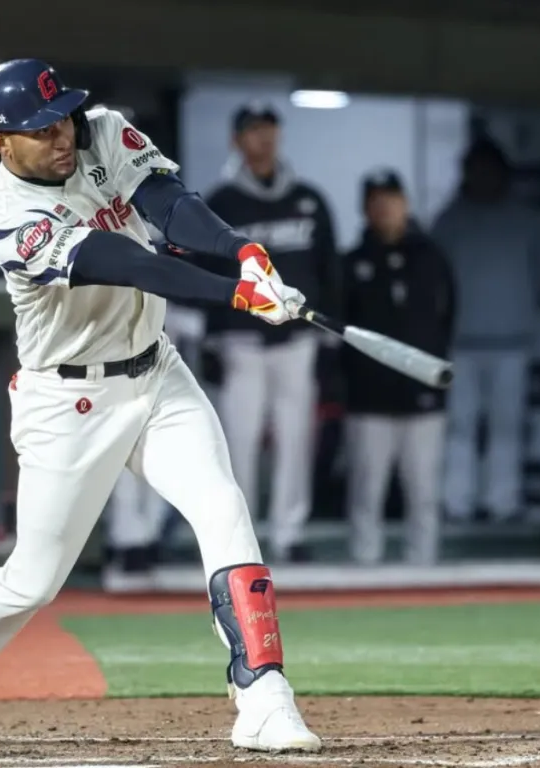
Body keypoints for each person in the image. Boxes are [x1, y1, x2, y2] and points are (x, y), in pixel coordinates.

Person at [0, 59, 320, 753]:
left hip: (156, 372)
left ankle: (263, 696)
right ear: (0, 143)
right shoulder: (11, 217)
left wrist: (242, 251)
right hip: (69, 402)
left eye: (63, 118)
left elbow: (168, 203)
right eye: (40, 129)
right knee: (31, 582)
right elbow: (126, 262)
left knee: (223, 508)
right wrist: (233, 293)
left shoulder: (101, 130)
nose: (62, 136)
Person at [203, 103, 341, 562]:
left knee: (296, 438)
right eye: (253, 131)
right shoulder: (220, 203)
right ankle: (241, 537)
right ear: (236, 140)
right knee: (237, 441)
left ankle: (289, 532)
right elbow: (204, 271)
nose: (263, 138)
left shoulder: (309, 199)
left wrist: (327, 341)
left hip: (297, 340)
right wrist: (209, 339)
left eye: (269, 129)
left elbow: (329, 270)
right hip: (240, 342)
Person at [430, 136, 540, 524]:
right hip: (460, 342)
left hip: (512, 340)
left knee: (507, 428)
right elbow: (436, 279)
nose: (483, 177)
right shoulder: (448, 221)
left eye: (490, 170)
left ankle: (504, 502)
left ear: (503, 173)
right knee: (459, 428)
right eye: (476, 170)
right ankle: (457, 502)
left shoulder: (527, 220)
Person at [341, 170, 455, 565]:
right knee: (366, 492)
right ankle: (363, 565)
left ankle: (424, 566)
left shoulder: (432, 257)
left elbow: (448, 317)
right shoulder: (352, 262)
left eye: (391, 199)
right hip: (368, 399)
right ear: (365, 209)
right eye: (376, 201)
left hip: (422, 396)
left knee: (423, 491)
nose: (385, 208)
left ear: (405, 203)